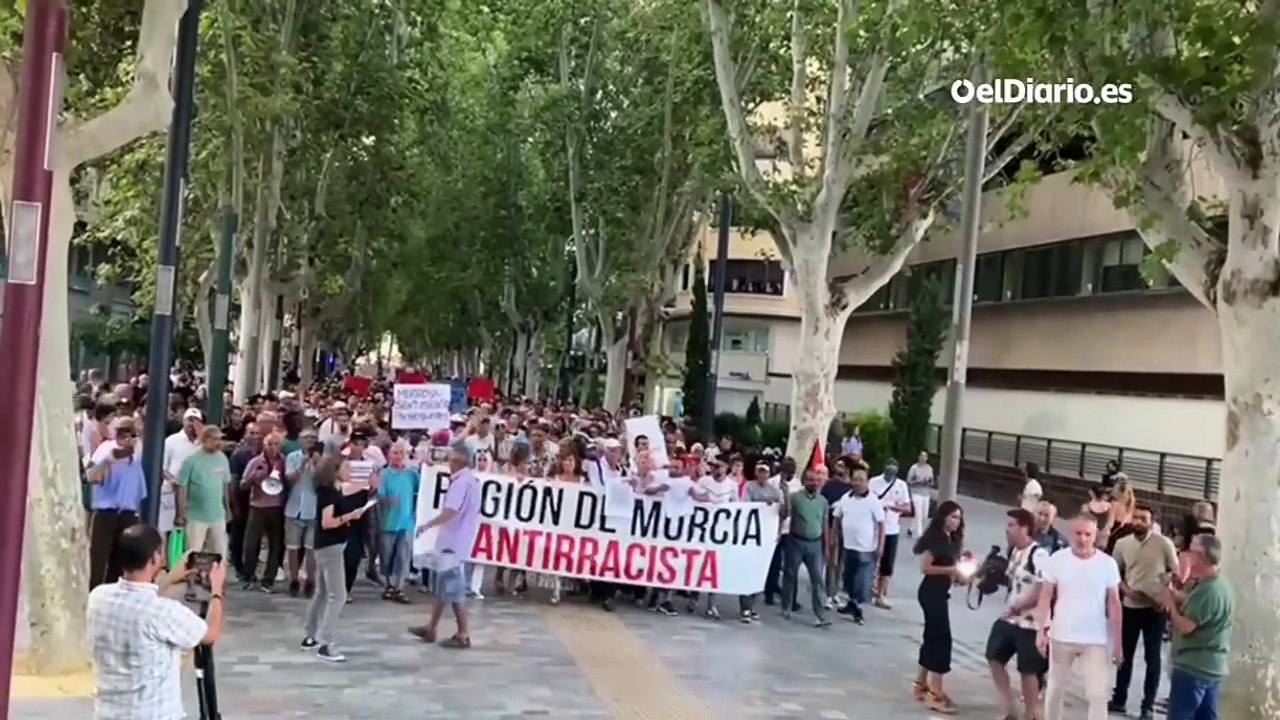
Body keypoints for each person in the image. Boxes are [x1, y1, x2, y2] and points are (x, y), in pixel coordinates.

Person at [88, 524, 225, 719]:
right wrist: (217, 591)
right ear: (154, 558)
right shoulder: (164, 612)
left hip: (109, 713)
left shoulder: (98, 598)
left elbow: (136, 602)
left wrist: (169, 579)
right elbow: (210, 635)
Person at [1035, 515, 1123, 720]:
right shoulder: (1057, 559)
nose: (1082, 539)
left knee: (1098, 693)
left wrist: (1117, 642)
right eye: (1078, 533)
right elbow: (1046, 595)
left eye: (1087, 534)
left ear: (1095, 536)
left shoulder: (1107, 563)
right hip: (1062, 634)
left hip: (1095, 638)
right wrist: (1041, 629)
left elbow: (1114, 603)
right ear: (1070, 533)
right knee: (1055, 688)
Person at [409, 440, 483, 648]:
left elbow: (451, 511)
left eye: (451, 458)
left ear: (458, 460)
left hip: (453, 540)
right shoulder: (471, 481)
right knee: (444, 586)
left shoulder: (460, 483)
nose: (448, 462)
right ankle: (431, 627)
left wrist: (428, 525)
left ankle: (463, 633)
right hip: (458, 540)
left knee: (453, 587)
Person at [1109, 504, 1178, 720]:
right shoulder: (1122, 544)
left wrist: (1159, 591)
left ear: (1152, 521)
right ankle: (1119, 698)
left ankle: (1147, 706)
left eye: (1144, 518)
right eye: (1136, 518)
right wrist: (1128, 590)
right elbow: (1113, 574)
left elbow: (1173, 572)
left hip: (1155, 610)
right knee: (1124, 656)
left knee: (1152, 657)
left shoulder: (1163, 543)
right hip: (1130, 607)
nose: (1139, 522)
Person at [1156, 533, 1232, 720]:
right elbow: (1196, 604)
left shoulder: (1208, 591)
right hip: (1211, 667)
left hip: (1194, 667)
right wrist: (1174, 594)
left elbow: (1186, 626)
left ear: (1201, 556)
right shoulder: (1218, 585)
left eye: (1190, 551)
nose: (1186, 555)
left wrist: (1170, 605)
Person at [303, 455, 371, 661]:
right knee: (338, 595)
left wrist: (366, 484)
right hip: (330, 547)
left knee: (322, 593)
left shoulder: (329, 491)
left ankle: (310, 636)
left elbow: (350, 488)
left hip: (327, 546)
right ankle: (326, 643)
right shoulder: (329, 495)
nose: (349, 471)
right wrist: (349, 517)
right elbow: (328, 522)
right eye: (346, 467)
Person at [986, 508, 1049, 720]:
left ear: (1024, 528)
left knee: (1028, 670)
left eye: (1012, 525)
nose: (1008, 529)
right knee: (994, 656)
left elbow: (1043, 588)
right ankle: (1009, 709)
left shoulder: (1038, 554)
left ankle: (1031, 714)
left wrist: (1018, 607)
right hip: (1010, 618)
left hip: (1030, 622)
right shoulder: (1014, 551)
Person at [912, 499, 965, 715]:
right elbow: (925, 568)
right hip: (930, 593)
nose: (956, 521)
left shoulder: (951, 540)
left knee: (931, 636)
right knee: (941, 639)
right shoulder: (935, 539)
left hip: (941, 592)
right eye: (952, 516)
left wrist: (958, 577)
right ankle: (935, 692)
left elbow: (948, 569)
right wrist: (952, 570)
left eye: (959, 518)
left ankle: (920, 684)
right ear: (943, 517)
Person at [87, 418, 148, 589]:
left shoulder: (137, 453)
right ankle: (93, 593)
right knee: (98, 559)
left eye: (132, 433)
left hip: (128, 513)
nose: (127, 437)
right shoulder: (105, 449)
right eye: (123, 432)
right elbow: (92, 477)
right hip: (107, 511)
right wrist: (110, 459)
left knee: (121, 561)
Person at [831, 465, 884, 624]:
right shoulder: (845, 498)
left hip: (866, 549)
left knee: (861, 582)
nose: (857, 483)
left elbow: (882, 524)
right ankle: (851, 604)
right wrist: (834, 538)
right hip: (848, 546)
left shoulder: (873, 500)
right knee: (848, 579)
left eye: (861, 480)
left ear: (867, 482)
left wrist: (880, 545)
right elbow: (837, 518)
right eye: (855, 479)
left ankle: (858, 609)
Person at [781, 468, 831, 627]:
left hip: (815, 544)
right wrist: (785, 495)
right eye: (810, 479)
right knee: (790, 574)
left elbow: (824, 525)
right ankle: (786, 606)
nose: (814, 482)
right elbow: (785, 513)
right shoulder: (795, 497)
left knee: (817, 578)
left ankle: (820, 614)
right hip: (795, 541)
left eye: (816, 480)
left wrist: (827, 547)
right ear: (804, 482)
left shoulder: (823, 501)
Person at [869, 458, 912, 609]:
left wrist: (892, 506)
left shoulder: (901, 485)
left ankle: (881, 594)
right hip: (873, 527)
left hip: (892, 528)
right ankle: (869, 587)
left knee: (887, 563)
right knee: (871, 558)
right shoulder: (873, 482)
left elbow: (907, 508)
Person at [906, 451, 934, 537]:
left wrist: (928, 482)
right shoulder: (914, 468)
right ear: (918, 457)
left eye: (925, 457)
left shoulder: (929, 468)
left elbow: (932, 482)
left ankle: (911, 529)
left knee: (924, 515)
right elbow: (908, 481)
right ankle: (920, 534)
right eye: (921, 456)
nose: (923, 458)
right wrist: (917, 481)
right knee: (918, 513)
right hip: (916, 493)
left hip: (926, 493)